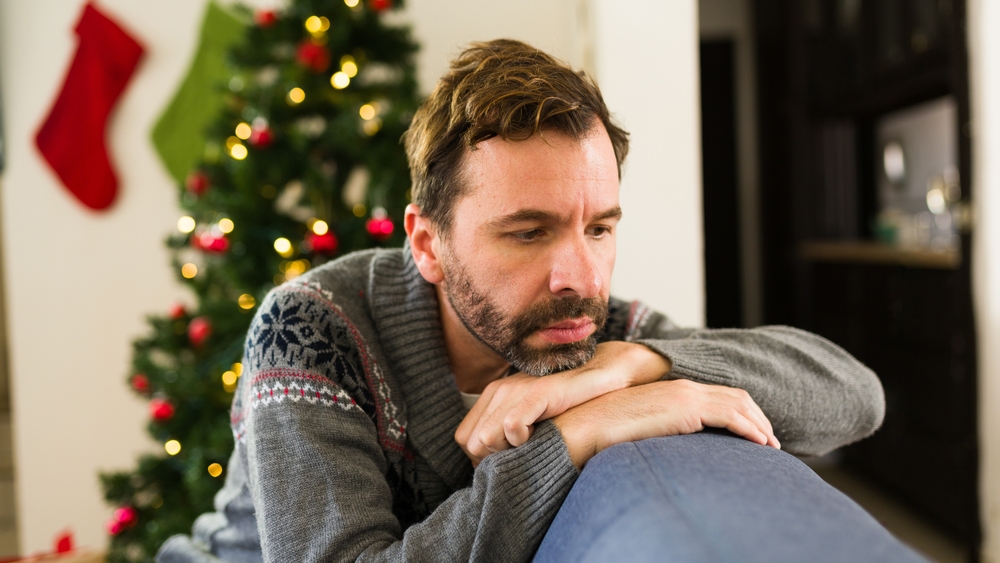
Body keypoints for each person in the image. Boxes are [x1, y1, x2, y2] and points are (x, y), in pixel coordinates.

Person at [158, 39, 885, 563]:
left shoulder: (587, 331)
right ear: (427, 243)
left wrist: (633, 365)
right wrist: (571, 438)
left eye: (599, 228)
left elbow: (855, 394)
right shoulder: (310, 330)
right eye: (528, 232)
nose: (578, 273)